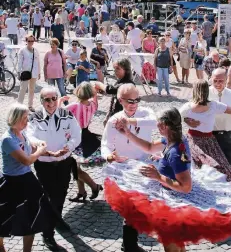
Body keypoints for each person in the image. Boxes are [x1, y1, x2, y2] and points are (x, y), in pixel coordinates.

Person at [113, 107, 191, 252]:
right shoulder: (174, 138)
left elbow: (186, 186)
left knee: (171, 243)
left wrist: (158, 176)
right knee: (176, 243)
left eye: (159, 123)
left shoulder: (175, 153)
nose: (157, 126)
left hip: (172, 204)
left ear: (166, 126)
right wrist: (128, 133)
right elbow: (149, 147)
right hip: (169, 198)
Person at [101, 83, 157, 252]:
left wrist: (128, 121)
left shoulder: (145, 113)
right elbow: (105, 144)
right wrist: (110, 156)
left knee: (139, 208)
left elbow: (153, 122)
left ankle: (129, 243)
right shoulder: (113, 120)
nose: (134, 104)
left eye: (137, 100)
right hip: (123, 169)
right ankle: (129, 245)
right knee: (130, 208)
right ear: (120, 100)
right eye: (129, 101)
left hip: (142, 168)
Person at [27, 86, 81, 250]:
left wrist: (68, 147)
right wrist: (43, 148)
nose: (51, 103)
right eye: (47, 99)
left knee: (62, 192)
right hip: (44, 163)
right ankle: (47, 233)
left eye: (53, 98)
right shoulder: (35, 117)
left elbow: (76, 134)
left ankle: (56, 218)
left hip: (64, 161)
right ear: (41, 101)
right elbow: (30, 136)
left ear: (58, 98)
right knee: (50, 197)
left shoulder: (67, 114)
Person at [0, 103, 57, 252]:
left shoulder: (21, 133)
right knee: (3, 220)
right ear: (15, 119)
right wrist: (41, 150)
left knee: (31, 219)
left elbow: (30, 149)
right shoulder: (7, 139)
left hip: (26, 180)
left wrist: (50, 153)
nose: (27, 122)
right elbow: (26, 160)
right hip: (10, 182)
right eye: (24, 118)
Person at [58, 82, 104, 202]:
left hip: (76, 137)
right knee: (75, 166)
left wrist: (60, 100)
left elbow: (59, 113)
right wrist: (95, 90)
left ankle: (94, 186)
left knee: (75, 167)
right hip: (86, 135)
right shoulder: (93, 105)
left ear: (78, 92)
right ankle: (81, 192)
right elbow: (95, 100)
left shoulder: (74, 106)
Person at [180, 80, 231, 180]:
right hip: (193, 141)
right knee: (210, 168)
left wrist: (185, 119)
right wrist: (185, 120)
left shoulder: (213, 105)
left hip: (209, 141)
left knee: (221, 170)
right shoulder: (188, 107)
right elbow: (173, 118)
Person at [95, 58, 134, 125]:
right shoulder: (119, 81)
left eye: (118, 68)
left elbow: (110, 90)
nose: (115, 71)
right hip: (115, 115)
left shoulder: (128, 84)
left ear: (126, 70)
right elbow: (113, 98)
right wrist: (108, 114)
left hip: (124, 118)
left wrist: (99, 84)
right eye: (114, 68)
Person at [209, 68, 231, 164]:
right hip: (209, 134)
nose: (218, 83)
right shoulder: (205, 93)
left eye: (221, 81)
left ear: (226, 80)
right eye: (215, 80)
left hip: (227, 134)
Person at [17, 34, 40, 112]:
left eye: (32, 41)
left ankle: (30, 105)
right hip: (25, 72)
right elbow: (19, 62)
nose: (30, 42)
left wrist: (39, 72)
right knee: (23, 89)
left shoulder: (36, 50)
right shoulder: (22, 50)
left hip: (34, 72)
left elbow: (38, 62)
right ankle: (19, 105)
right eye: (29, 41)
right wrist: (18, 72)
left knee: (32, 90)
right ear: (26, 41)